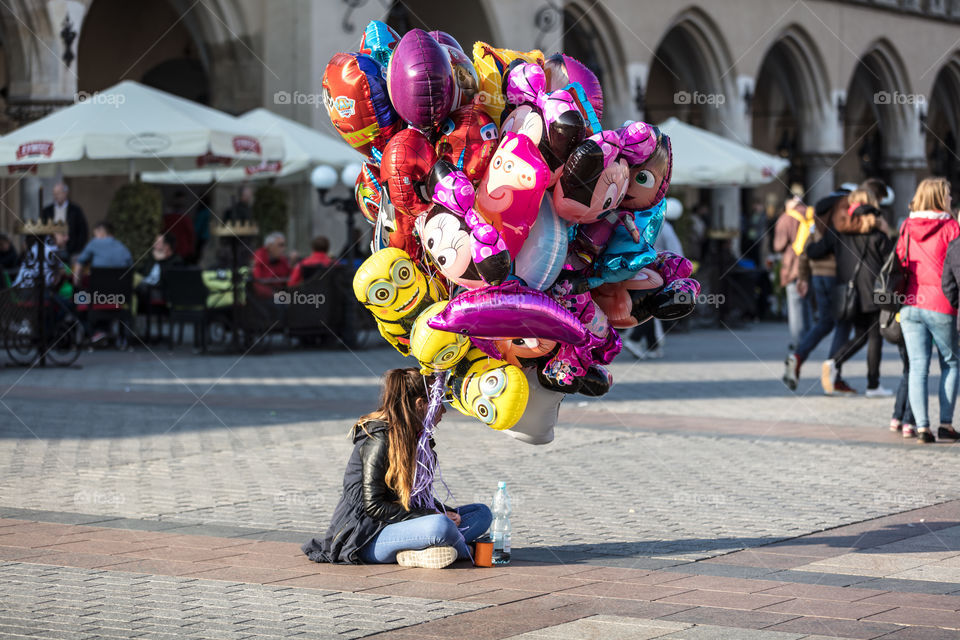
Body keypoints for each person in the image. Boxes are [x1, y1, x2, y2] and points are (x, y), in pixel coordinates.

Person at [302, 368, 492, 568]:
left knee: (481, 513)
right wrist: (433, 516)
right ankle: (469, 551)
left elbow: (414, 497)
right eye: (438, 403)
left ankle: (420, 551)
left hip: (401, 522)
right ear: (420, 404)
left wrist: (441, 511)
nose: (444, 411)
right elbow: (374, 507)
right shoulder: (378, 439)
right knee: (440, 526)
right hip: (365, 535)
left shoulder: (416, 438)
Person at [783, 190, 884, 390]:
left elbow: (807, 250)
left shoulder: (816, 221)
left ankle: (798, 355)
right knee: (843, 324)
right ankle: (833, 375)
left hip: (817, 276)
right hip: (836, 278)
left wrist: (803, 277)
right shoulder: (844, 223)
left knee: (825, 322)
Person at [807, 189, 892, 396]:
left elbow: (814, 251)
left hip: (849, 292)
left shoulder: (839, 232)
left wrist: (811, 237)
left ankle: (834, 361)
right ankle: (873, 385)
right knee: (874, 338)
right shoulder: (878, 235)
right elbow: (891, 265)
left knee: (861, 335)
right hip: (874, 291)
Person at [899, 177, 960, 444]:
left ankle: (922, 427)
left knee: (917, 367)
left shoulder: (907, 225)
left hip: (911, 303)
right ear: (938, 198)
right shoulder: (951, 226)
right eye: (947, 194)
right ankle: (945, 424)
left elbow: (900, 260)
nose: (951, 199)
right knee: (951, 363)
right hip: (941, 304)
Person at [773, 197, 814, 348]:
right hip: (811, 264)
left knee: (795, 304)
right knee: (807, 302)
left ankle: (799, 342)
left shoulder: (787, 217)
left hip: (793, 266)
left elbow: (779, 245)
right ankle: (810, 339)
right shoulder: (811, 216)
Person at [41, 182, 89, 256]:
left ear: (65, 193)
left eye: (58, 193)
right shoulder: (47, 211)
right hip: (50, 248)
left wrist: (77, 249)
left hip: (71, 249)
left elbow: (82, 230)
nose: (56, 196)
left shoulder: (75, 210)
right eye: (54, 194)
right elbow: (42, 228)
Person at [252, 232, 292, 297]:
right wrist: (274, 294)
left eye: (284, 245)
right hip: (264, 298)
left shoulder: (282, 260)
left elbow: (290, 279)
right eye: (280, 245)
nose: (283, 249)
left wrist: (293, 264)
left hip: (280, 295)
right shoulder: (259, 258)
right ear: (270, 246)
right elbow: (258, 284)